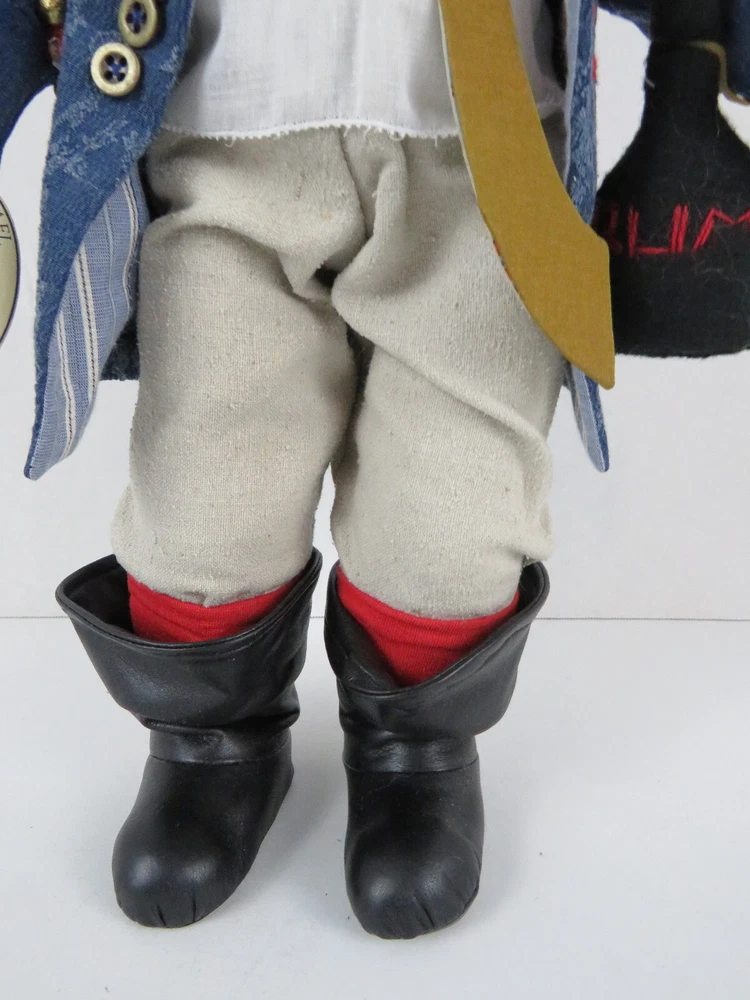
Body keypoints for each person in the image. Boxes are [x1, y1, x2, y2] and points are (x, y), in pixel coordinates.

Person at [5, 0, 737, 940]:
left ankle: (416, 746)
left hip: (486, 152)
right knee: (207, 471)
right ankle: (212, 739)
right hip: (221, 124)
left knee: (456, 496)